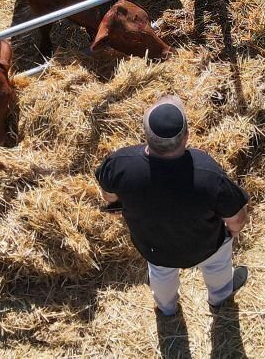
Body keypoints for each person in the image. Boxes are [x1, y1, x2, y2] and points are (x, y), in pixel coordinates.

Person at [95, 95, 250, 315]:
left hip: (154, 245)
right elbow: (236, 219)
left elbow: (109, 197)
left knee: (160, 273)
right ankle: (220, 299)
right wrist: (232, 233)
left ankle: (167, 309)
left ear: (146, 136)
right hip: (206, 244)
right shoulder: (207, 172)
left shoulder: (120, 163)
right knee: (218, 267)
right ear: (186, 136)